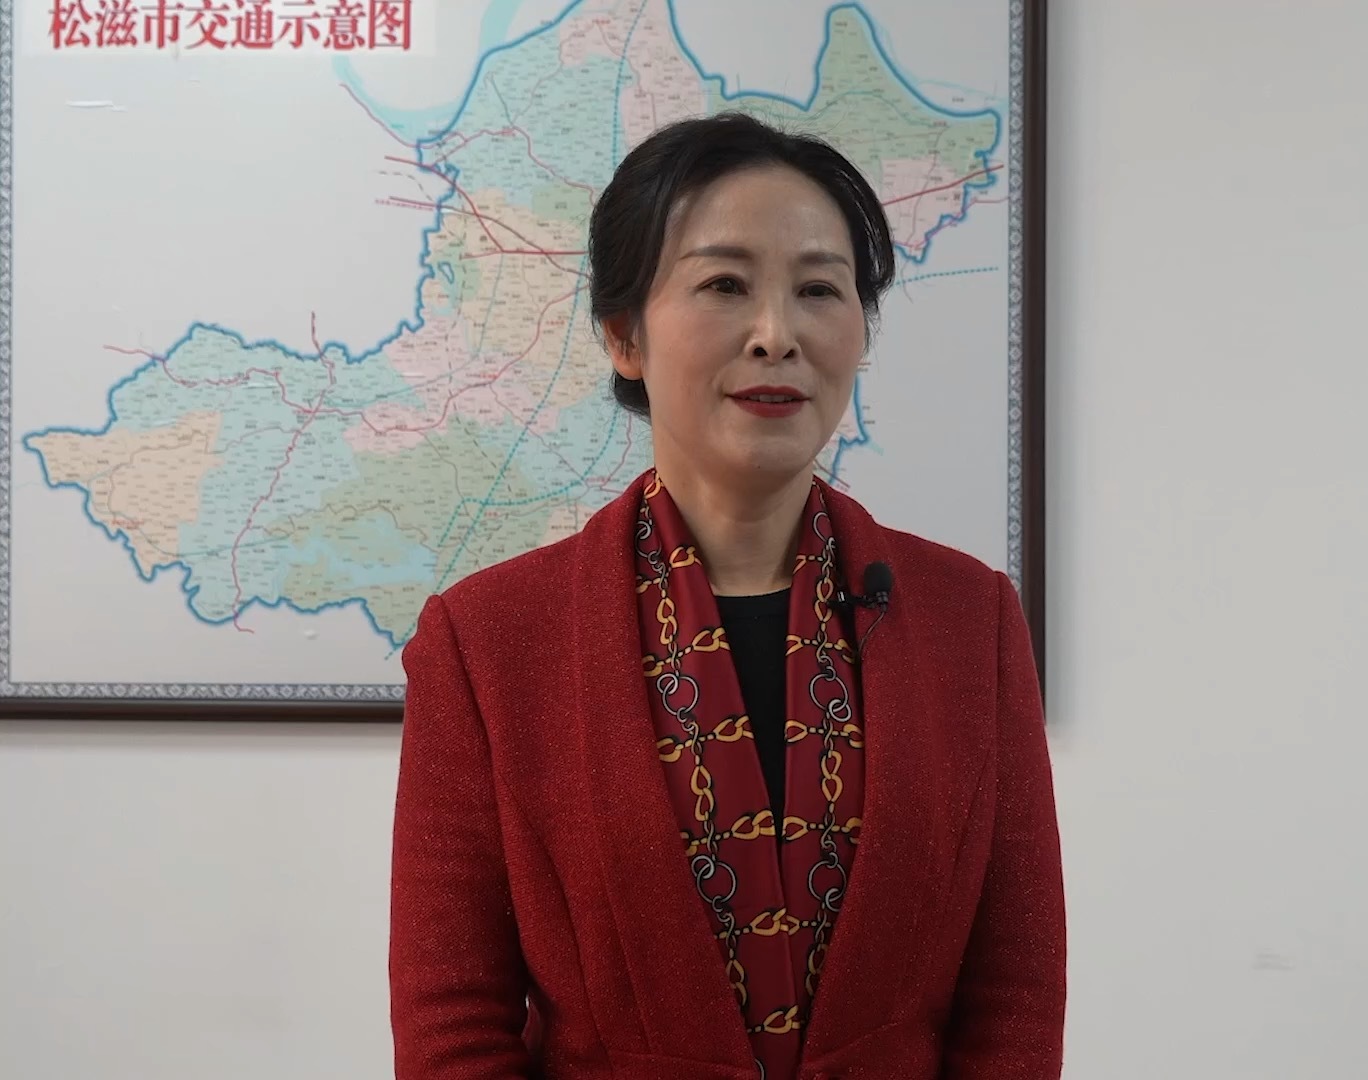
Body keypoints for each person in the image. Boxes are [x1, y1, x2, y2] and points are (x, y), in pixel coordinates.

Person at [387, 111, 1066, 1080]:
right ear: (624, 334)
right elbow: (451, 1020)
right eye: (724, 285)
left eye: (820, 289)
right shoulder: (487, 642)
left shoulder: (973, 621)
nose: (777, 335)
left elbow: (1015, 999)